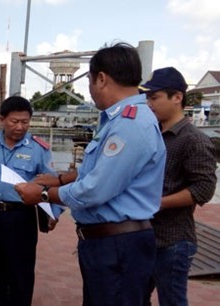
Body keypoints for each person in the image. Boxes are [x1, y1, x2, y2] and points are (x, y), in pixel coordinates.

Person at [15, 42, 167, 306]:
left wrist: (42, 194)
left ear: (101, 78)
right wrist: (59, 179)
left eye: (89, 82)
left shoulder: (130, 124)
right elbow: (95, 171)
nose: (90, 90)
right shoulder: (119, 120)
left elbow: (96, 189)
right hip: (110, 243)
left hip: (117, 245)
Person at [0, 96, 62, 306]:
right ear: (2, 119)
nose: (20, 127)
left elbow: (52, 182)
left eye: (25, 122)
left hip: (21, 217)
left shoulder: (38, 149)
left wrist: (54, 213)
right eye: (14, 121)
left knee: (21, 272)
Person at [139, 67, 217, 306]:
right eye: (147, 98)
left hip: (173, 241)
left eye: (154, 97)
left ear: (177, 97)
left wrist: (156, 203)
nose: (149, 104)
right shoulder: (154, 135)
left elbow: (203, 189)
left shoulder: (193, 140)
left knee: (172, 301)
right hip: (146, 235)